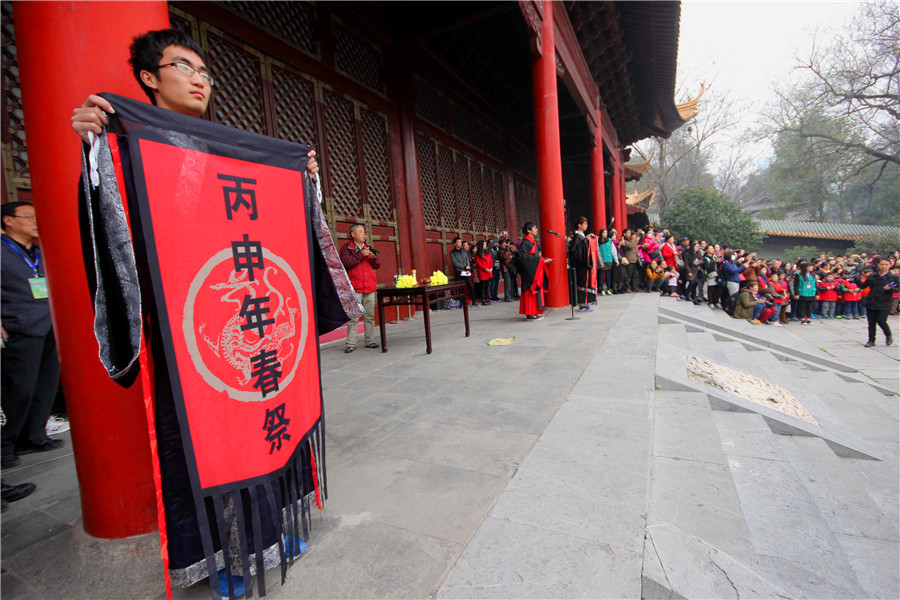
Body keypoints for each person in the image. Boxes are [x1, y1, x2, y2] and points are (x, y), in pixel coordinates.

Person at [1, 202, 64, 469]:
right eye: (29, 217)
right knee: (19, 391)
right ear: (9, 221)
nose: (36, 222)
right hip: (18, 328)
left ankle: (35, 436)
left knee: (46, 385)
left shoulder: (38, 251)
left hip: (49, 326)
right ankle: (5, 447)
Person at [340, 224, 381, 353]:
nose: (364, 234)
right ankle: (351, 343)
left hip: (369, 285)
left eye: (364, 232)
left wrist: (374, 258)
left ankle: (370, 340)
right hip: (355, 286)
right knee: (354, 317)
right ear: (353, 234)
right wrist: (360, 255)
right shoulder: (347, 248)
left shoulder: (368, 248)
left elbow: (378, 264)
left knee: (370, 316)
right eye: (361, 232)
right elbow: (346, 263)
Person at [860, 256, 899, 347]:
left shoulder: (893, 277)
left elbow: (897, 289)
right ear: (878, 265)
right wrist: (857, 279)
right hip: (872, 301)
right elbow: (863, 286)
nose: (884, 266)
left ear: (890, 265)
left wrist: (890, 289)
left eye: (886, 264)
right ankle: (871, 340)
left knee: (881, 320)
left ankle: (888, 335)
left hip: (885, 302)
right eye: (882, 264)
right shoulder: (872, 276)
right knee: (871, 322)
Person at [517, 222, 549, 320]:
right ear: (529, 231)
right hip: (529, 272)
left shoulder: (532, 241)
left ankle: (534, 312)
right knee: (530, 291)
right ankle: (530, 314)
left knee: (535, 292)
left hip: (534, 270)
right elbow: (522, 257)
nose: (536, 230)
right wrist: (540, 260)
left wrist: (543, 259)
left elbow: (534, 256)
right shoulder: (525, 242)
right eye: (534, 228)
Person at [568, 217, 595, 311]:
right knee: (582, 283)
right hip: (580, 265)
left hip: (584, 264)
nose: (586, 225)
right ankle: (582, 303)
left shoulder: (582, 235)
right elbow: (575, 251)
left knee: (585, 283)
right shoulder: (577, 236)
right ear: (579, 225)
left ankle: (586, 302)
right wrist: (585, 241)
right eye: (584, 224)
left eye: (587, 224)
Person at [449, 236, 475, 304]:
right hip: (459, 272)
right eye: (459, 242)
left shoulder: (464, 251)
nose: (460, 243)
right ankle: (461, 302)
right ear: (454, 244)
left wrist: (468, 267)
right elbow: (455, 263)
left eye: (460, 242)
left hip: (466, 271)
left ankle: (474, 301)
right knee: (460, 288)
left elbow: (467, 260)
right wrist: (464, 267)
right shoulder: (452, 253)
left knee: (470, 286)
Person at [473, 240, 493, 306]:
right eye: (484, 244)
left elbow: (490, 261)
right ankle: (483, 299)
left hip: (488, 271)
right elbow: (478, 264)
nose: (485, 246)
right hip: (482, 272)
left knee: (487, 286)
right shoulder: (477, 255)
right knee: (482, 286)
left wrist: (491, 268)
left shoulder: (487, 253)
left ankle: (487, 298)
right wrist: (485, 269)